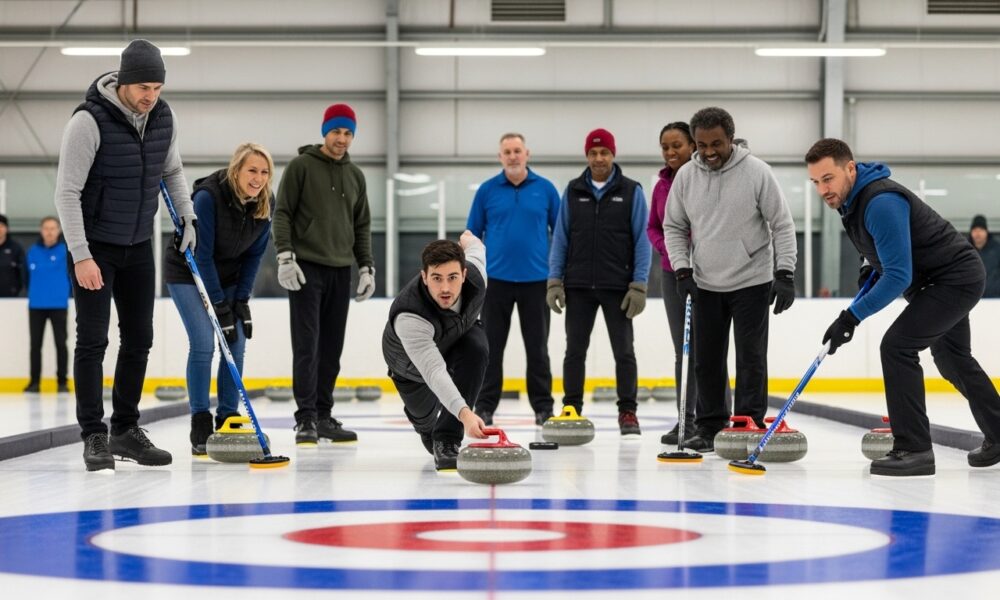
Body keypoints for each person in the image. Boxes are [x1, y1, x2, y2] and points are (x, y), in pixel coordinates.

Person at [806, 138, 1000, 476]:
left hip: (953, 279)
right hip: (938, 281)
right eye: (815, 182)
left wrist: (851, 317)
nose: (822, 189)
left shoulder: (880, 201)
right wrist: (869, 263)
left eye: (828, 178)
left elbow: (897, 276)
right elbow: (879, 245)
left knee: (896, 347)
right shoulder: (850, 200)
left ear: (850, 169)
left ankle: (914, 449)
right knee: (952, 358)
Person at [54, 39, 196, 471]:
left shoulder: (162, 118)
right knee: (93, 341)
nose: (150, 95)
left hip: (137, 245)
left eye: (157, 86)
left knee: (139, 339)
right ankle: (94, 435)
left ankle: (125, 430)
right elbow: (66, 192)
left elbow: (170, 170)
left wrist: (186, 217)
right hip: (93, 246)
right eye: (143, 87)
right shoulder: (88, 121)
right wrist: (80, 254)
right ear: (124, 82)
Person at [664, 107, 797, 452]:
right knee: (706, 360)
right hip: (705, 281)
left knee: (751, 357)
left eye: (717, 144)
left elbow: (781, 223)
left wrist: (785, 272)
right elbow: (674, 226)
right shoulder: (686, 177)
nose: (709, 152)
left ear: (731, 139)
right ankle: (709, 427)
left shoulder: (756, 172)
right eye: (702, 144)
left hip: (752, 279)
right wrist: (682, 269)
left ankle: (748, 423)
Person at [272, 103, 373, 445]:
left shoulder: (356, 176)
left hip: (340, 270)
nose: (342, 139)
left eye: (348, 133)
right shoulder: (301, 167)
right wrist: (285, 257)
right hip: (306, 268)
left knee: (331, 347)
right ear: (324, 131)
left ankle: (324, 415)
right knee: (307, 346)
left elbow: (362, 225)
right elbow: (282, 213)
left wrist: (366, 266)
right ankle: (305, 419)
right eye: (336, 131)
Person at [165, 143, 274, 455]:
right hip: (190, 271)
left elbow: (255, 256)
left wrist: (240, 302)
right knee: (204, 343)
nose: (258, 178)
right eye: (252, 170)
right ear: (236, 170)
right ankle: (200, 418)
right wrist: (219, 306)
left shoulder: (266, 203)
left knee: (235, 340)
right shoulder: (208, 198)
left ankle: (227, 415)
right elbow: (204, 253)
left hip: (230, 278)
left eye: (264, 172)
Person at [547, 128, 651, 436]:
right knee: (574, 351)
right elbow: (561, 238)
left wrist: (639, 284)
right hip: (578, 286)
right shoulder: (573, 190)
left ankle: (628, 412)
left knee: (624, 351)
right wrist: (555, 280)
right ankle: (571, 408)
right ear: (587, 156)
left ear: (613, 154)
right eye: (593, 153)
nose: (598, 158)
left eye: (604, 152)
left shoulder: (631, 191)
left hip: (618, 287)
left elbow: (642, 241)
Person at [466, 133, 561, 427]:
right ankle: (484, 405)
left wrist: (558, 275)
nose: (513, 156)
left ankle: (543, 407)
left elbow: (560, 235)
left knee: (538, 349)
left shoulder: (545, 190)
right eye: (507, 151)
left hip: (537, 282)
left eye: (517, 150)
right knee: (490, 348)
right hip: (495, 282)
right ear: (500, 157)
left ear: (527, 154)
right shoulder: (487, 191)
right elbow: (471, 235)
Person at [646, 122, 731, 446]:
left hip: (709, 273)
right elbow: (654, 226)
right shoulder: (662, 185)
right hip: (673, 274)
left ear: (693, 146)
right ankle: (687, 419)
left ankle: (718, 417)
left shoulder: (706, 178)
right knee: (684, 350)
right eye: (665, 147)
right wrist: (670, 249)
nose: (670, 152)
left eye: (677, 145)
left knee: (709, 349)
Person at [381, 232, 489, 470]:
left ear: (464, 274)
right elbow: (434, 372)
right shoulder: (410, 316)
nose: (445, 288)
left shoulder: (477, 276)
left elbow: (476, 248)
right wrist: (466, 415)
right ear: (424, 277)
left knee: (476, 347)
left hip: (456, 337)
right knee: (427, 427)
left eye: (452, 277)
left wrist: (468, 236)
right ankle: (428, 429)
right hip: (410, 367)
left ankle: (448, 439)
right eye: (437, 278)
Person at [24, 217, 71, 394]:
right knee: (35, 345)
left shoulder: (65, 251)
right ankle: (34, 382)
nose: (49, 232)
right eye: (46, 228)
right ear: (41, 230)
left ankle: (62, 382)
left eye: (53, 228)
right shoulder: (32, 252)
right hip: (36, 304)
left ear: (59, 230)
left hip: (59, 304)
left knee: (61, 344)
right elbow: (25, 277)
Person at [969, 215, 1000, 298]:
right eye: (975, 230)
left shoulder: (997, 249)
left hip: (995, 299)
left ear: (986, 231)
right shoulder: (964, 249)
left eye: (981, 230)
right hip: (970, 299)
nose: (978, 233)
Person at [0, 214, 25, 297]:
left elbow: (22, 272)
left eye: (2, 226)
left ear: (7, 228)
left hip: (10, 297)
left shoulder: (15, 248)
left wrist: (15, 290)